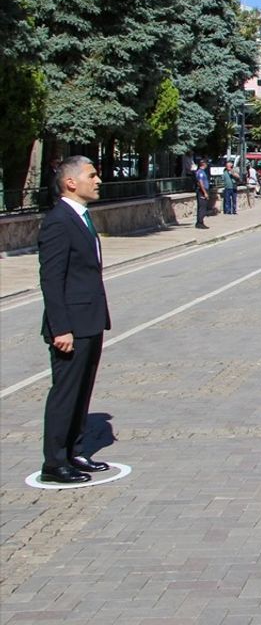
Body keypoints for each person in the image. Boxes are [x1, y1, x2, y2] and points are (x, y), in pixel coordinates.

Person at [38, 156, 111, 484]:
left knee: (83, 391)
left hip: (90, 320)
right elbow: (51, 280)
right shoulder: (58, 221)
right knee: (66, 392)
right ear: (71, 182)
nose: (98, 180)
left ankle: (75, 451)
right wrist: (61, 327)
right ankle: (54, 462)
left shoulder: (80, 217)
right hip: (71, 326)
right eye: (91, 175)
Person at [194, 157, 211, 229]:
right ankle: (200, 223)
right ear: (203, 164)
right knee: (202, 207)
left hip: (203, 190)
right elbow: (200, 183)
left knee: (203, 207)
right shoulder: (200, 172)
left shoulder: (203, 171)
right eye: (206, 163)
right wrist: (205, 192)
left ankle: (200, 222)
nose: (207, 164)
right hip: (201, 191)